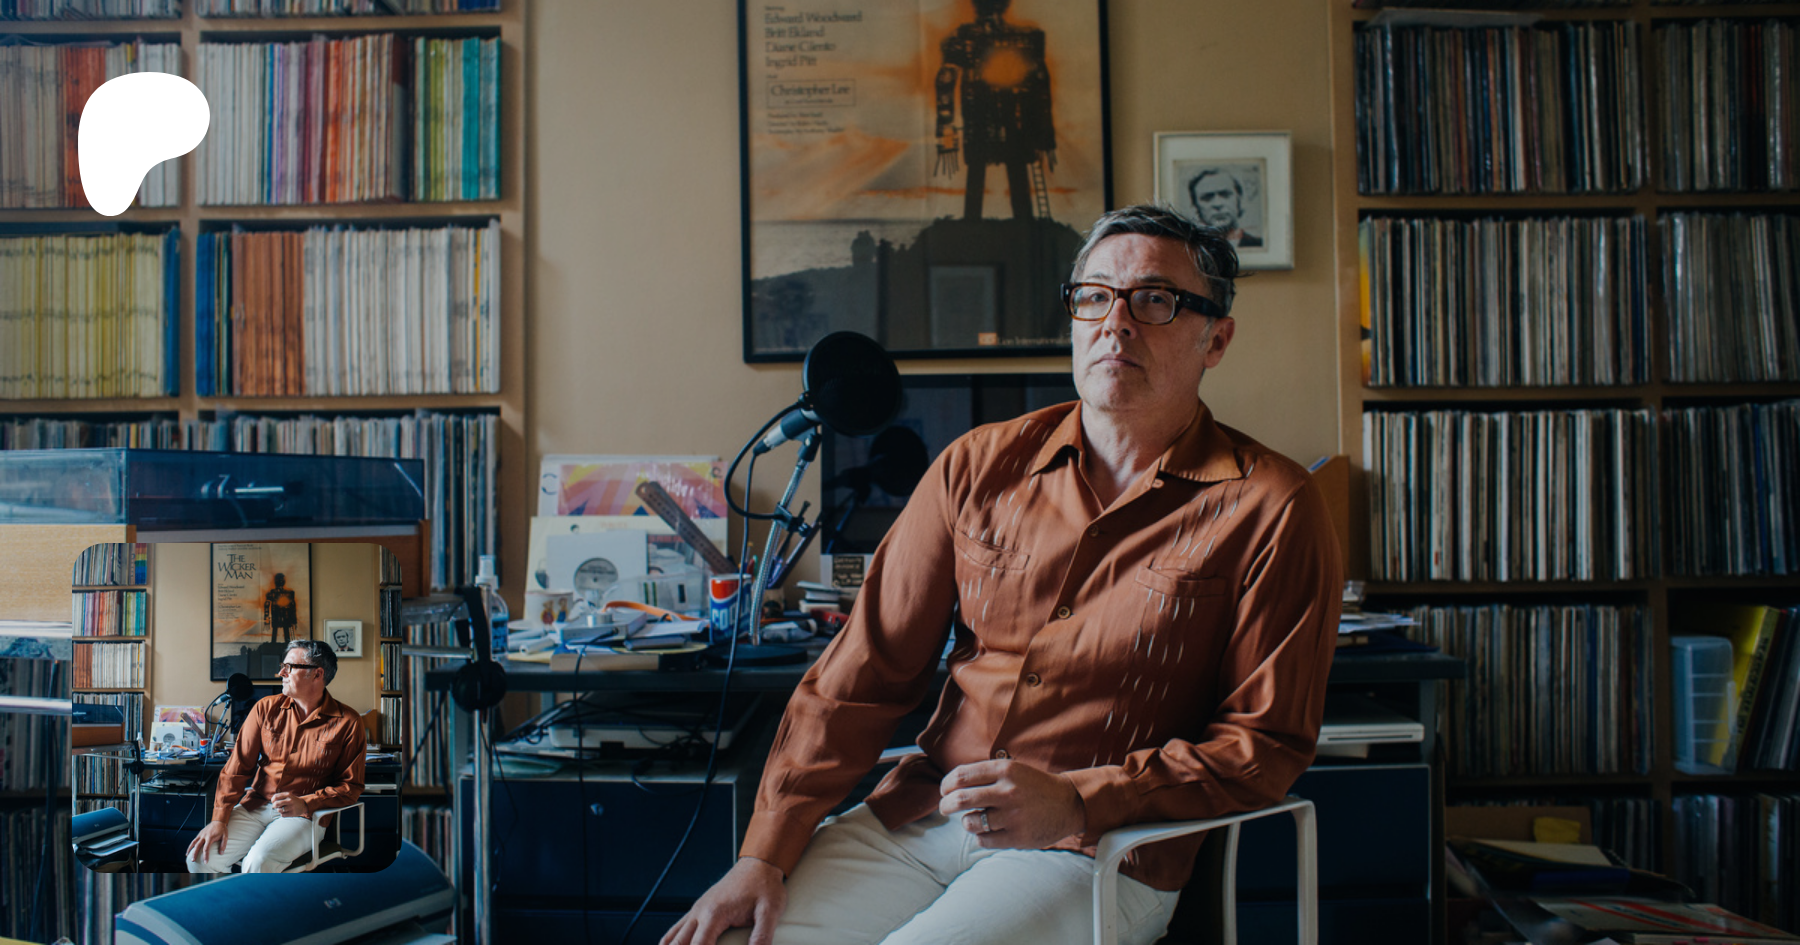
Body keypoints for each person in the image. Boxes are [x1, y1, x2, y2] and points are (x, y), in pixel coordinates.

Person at [663, 204, 1342, 945]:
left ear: (1217, 338)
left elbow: (1265, 743)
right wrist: (763, 854)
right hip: (924, 815)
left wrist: (1079, 799)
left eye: (1155, 300)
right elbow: (861, 675)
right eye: (1094, 297)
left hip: (1096, 849)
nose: (1116, 324)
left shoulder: (1273, 505)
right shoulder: (977, 465)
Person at [185, 639, 365, 874]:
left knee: (258, 863)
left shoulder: (348, 722)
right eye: (283, 666)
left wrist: (306, 803)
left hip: (304, 815)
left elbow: (350, 787)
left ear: (317, 674)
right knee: (199, 859)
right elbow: (236, 768)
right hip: (256, 805)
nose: (281, 673)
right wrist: (219, 819)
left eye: (289, 667)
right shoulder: (265, 708)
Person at [934, 0, 1056, 221]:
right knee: (994, 175)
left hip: (1000, 121)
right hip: (991, 120)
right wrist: (1045, 133)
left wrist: (1045, 133)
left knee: (1007, 175)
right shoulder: (1022, 38)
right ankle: (985, 224)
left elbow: (946, 79)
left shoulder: (1021, 38)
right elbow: (1040, 83)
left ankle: (993, 223)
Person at [1187, 168, 1264, 248]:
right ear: (1195, 205)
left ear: (1239, 199)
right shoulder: (1191, 249)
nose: (1218, 204)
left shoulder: (1258, 244)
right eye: (1207, 198)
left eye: (1225, 195)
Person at [263, 572, 298, 644]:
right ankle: (274, 645)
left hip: (285, 616)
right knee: (276, 634)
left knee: (286, 634)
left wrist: (294, 620)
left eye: (282, 580)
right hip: (276, 615)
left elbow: (293, 607)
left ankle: (283, 645)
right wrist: (266, 620)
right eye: (279, 580)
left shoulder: (289, 593)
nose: (280, 581)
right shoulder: (272, 593)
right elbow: (266, 605)